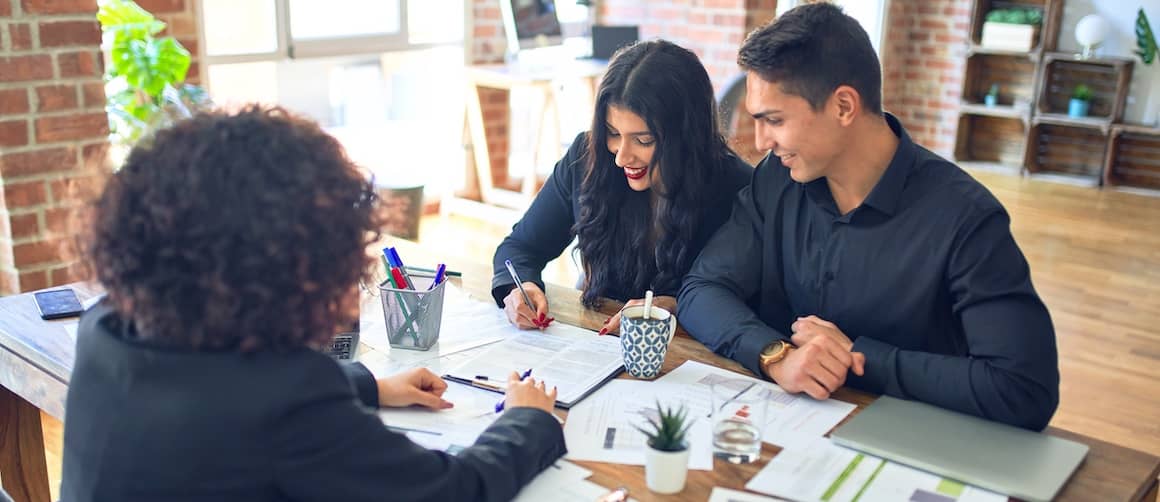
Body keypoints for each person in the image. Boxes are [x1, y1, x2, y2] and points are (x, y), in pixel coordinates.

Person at [61, 106, 565, 502]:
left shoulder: (106, 324)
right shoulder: (287, 402)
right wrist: (527, 420)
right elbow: (452, 491)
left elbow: (224, 392)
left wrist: (368, 384)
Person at [677, 3, 1059, 431]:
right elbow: (702, 288)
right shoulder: (777, 180)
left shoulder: (967, 219)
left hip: (911, 444)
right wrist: (775, 355)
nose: (761, 141)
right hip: (782, 427)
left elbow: (1025, 389)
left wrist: (860, 360)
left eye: (775, 120)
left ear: (843, 106)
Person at [492, 40, 752, 334]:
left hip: (691, 355)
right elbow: (520, 248)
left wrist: (680, 307)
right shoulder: (586, 158)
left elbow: (750, 304)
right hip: (598, 346)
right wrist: (521, 286)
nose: (621, 156)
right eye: (613, 133)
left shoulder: (738, 188)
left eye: (644, 140)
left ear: (687, 136)